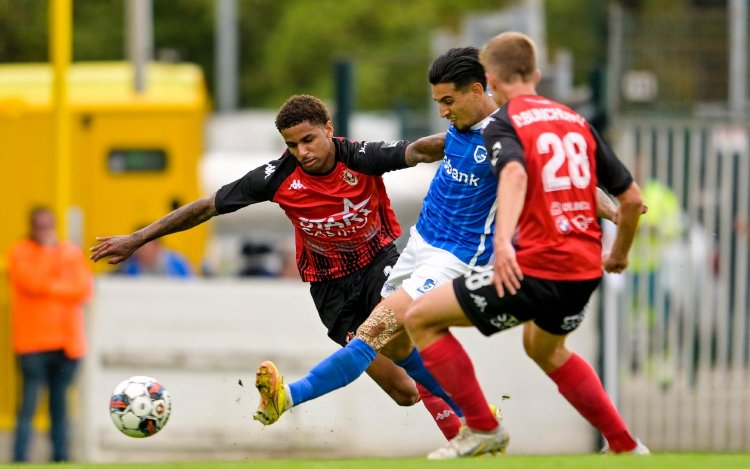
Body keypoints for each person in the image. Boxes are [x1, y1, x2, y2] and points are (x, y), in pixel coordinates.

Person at [252, 48, 620, 440]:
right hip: (420, 247)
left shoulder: (507, 135)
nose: (442, 111)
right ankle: (474, 420)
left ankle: (288, 397)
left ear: (477, 91)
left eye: (448, 101)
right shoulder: (462, 129)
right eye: (437, 102)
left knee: (372, 330)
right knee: (394, 346)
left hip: (454, 258)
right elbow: (428, 148)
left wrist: (615, 211)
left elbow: (560, 180)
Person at [89, 94, 459, 437]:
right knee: (405, 392)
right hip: (329, 287)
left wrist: (476, 132)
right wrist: (138, 238)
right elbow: (206, 206)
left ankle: (467, 426)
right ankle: (470, 414)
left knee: (386, 335)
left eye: (309, 140)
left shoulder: (361, 157)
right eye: (292, 144)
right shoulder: (277, 177)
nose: (302, 152)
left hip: (379, 264)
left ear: (328, 128)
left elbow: (419, 150)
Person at [402, 31, 649, 459]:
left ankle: (482, 428)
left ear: (491, 81)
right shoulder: (573, 122)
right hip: (584, 267)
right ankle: (626, 446)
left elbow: (514, 175)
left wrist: (502, 243)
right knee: (544, 348)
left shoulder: (505, 122)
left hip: (540, 266)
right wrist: (620, 251)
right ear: (535, 74)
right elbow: (632, 200)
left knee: (421, 319)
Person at [8, 206, 94, 462]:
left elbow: (82, 289)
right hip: (31, 344)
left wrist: (52, 283)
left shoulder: (71, 252)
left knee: (61, 407)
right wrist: (55, 263)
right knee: (28, 406)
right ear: (32, 227)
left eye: (48, 225)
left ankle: (60, 458)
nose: (44, 231)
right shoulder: (20, 252)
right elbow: (32, 282)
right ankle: (19, 458)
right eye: (40, 225)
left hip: (66, 344)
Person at [116, 234, 193, 278]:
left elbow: (188, 284)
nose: (139, 252)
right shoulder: (130, 265)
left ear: (157, 246)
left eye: (143, 249)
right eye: (136, 249)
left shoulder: (176, 263)